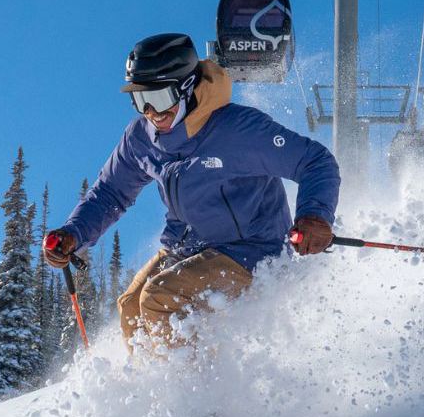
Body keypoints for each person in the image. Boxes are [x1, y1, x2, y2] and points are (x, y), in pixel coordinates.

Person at [43, 33, 340, 352]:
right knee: (131, 306)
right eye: (140, 100)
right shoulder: (141, 139)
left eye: (158, 98)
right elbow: (110, 193)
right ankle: (147, 391)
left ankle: (197, 396)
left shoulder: (237, 130)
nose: (151, 113)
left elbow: (315, 161)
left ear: (186, 88)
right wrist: (74, 234)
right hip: (188, 247)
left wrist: (314, 216)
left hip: (252, 250)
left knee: (160, 298)